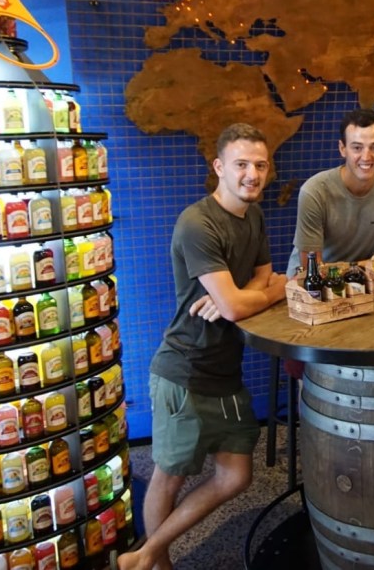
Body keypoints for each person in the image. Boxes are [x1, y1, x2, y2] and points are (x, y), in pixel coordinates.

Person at [119, 123, 288, 570]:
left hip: (225, 373)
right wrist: (257, 294)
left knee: (236, 476)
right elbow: (247, 297)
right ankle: (158, 564)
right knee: (169, 478)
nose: (252, 174)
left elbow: (262, 278)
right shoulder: (198, 223)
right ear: (219, 167)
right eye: (241, 164)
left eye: (260, 165)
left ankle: (142, 556)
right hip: (185, 372)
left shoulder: (253, 215)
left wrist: (244, 295)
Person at [286, 107, 374, 275]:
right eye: (357, 148)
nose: (366, 157)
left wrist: (361, 269)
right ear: (342, 148)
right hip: (310, 280)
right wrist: (367, 266)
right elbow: (311, 269)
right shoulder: (314, 191)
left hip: (362, 277)